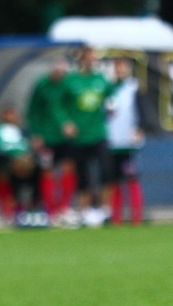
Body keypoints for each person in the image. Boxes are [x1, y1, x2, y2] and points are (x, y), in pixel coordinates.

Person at [59, 47, 118, 227]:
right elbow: (60, 105)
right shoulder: (71, 80)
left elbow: (111, 99)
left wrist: (111, 108)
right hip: (79, 136)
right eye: (90, 57)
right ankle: (84, 212)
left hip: (98, 133)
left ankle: (106, 211)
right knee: (82, 174)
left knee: (107, 171)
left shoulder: (101, 79)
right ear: (82, 59)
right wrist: (66, 122)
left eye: (95, 58)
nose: (93, 61)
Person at [25, 57, 76, 225]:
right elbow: (33, 111)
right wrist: (36, 133)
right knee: (47, 170)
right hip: (46, 136)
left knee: (68, 168)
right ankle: (50, 209)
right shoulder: (42, 86)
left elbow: (74, 108)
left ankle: (64, 207)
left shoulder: (68, 85)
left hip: (64, 137)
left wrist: (71, 124)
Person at [106, 57, 154, 226]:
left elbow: (143, 112)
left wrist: (139, 128)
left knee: (132, 177)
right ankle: (116, 218)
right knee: (114, 180)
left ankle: (136, 217)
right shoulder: (109, 89)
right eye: (117, 67)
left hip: (129, 142)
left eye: (123, 67)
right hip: (113, 142)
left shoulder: (134, 87)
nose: (120, 71)